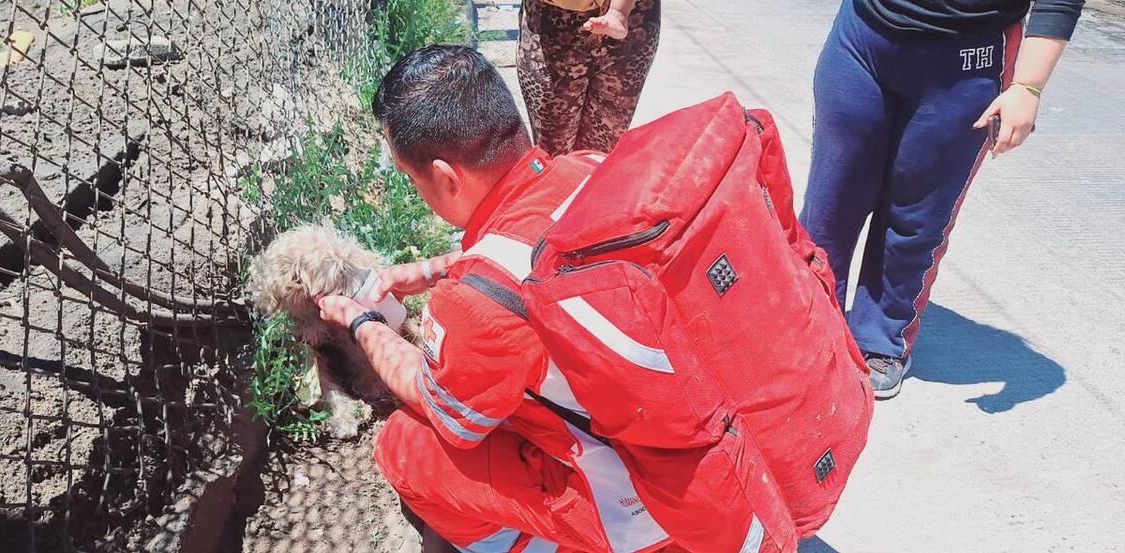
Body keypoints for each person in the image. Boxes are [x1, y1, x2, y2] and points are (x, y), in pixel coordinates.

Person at [317, 45, 871, 553]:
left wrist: (365, 321)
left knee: (404, 449)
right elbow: (531, 246)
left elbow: (451, 415)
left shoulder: (475, 303)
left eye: (412, 180)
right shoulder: (589, 168)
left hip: (650, 508)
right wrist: (431, 270)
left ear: (444, 176)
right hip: (739, 437)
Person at [799, 0, 1083, 399]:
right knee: (830, 203)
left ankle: (880, 337)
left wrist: (1028, 86)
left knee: (917, 215)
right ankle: (806, 326)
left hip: (968, 61)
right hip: (862, 37)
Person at [517, 0, 660, 155]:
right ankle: (618, 14)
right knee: (553, 155)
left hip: (633, 22)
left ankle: (618, 14)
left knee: (599, 154)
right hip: (552, 22)